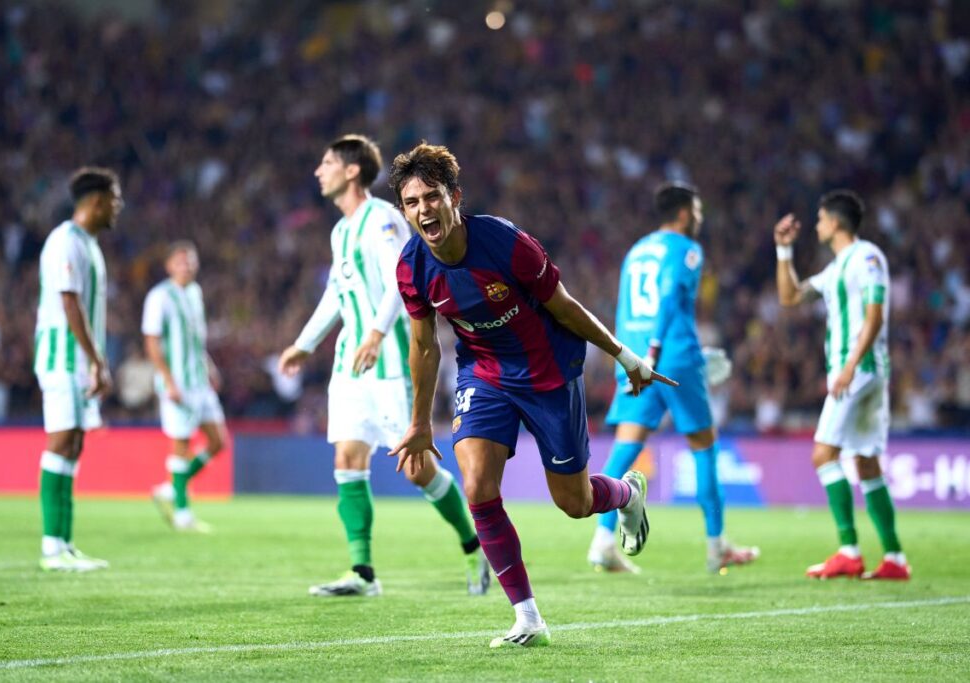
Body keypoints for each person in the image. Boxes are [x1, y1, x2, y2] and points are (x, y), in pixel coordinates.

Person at [388, 143, 677, 648]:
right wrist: (418, 422)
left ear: (455, 197)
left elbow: (564, 307)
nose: (423, 210)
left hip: (548, 372)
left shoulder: (506, 243)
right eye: (412, 203)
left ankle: (627, 495)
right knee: (478, 486)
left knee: (574, 502)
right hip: (484, 374)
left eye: (432, 197)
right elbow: (424, 345)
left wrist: (624, 356)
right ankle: (527, 618)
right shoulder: (412, 267)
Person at [278, 134, 489, 597]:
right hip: (351, 366)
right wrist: (304, 344)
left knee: (416, 469)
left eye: (327, 162)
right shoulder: (341, 231)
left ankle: (474, 545)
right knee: (347, 459)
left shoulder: (382, 219)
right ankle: (362, 572)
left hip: (390, 361)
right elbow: (336, 293)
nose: (319, 171)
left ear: (352, 170)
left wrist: (375, 332)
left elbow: (401, 278)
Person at [588, 182, 758, 574]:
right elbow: (667, 296)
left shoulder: (636, 251)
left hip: (633, 357)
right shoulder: (686, 248)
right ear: (683, 214)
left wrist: (632, 357)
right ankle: (716, 545)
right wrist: (658, 350)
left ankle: (602, 542)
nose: (699, 218)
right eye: (696, 212)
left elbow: (626, 308)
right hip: (672, 356)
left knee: (625, 447)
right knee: (704, 446)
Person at [774, 190, 909, 580]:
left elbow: (874, 315)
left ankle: (849, 550)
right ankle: (895, 559)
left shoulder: (867, 257)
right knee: (865, 462)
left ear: (834, 222)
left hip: (859, 369)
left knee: (823, 454)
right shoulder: (835, 269)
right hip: (862, 371)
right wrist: (784, 250)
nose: (816, 226)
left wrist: (849, 365)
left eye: (820, 219)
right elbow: (790, 296)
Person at [33, 167, 122, 572]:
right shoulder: (65, 241)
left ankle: (64, 544)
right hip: (62, 358)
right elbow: (69, 303)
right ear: (97, 201)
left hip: (79, 361)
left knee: (74, 444)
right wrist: (97, 360)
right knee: (61, 441)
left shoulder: (89, 244)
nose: (118, 206)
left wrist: (94, 361)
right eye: (115, 199)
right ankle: (52, 547)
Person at [142, 241, 228, 532]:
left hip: (199, 382)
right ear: (169, 266)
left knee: (218, 441)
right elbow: (152, 342)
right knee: (181, 444)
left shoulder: (194, 292)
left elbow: (195, 339)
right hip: (177, 384)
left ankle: (171, 489)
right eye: (180, 261)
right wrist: (168, 381)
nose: (186, 266)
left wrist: (209, 366)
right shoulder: (159, 297)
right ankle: (182, 514)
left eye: (190, 260)